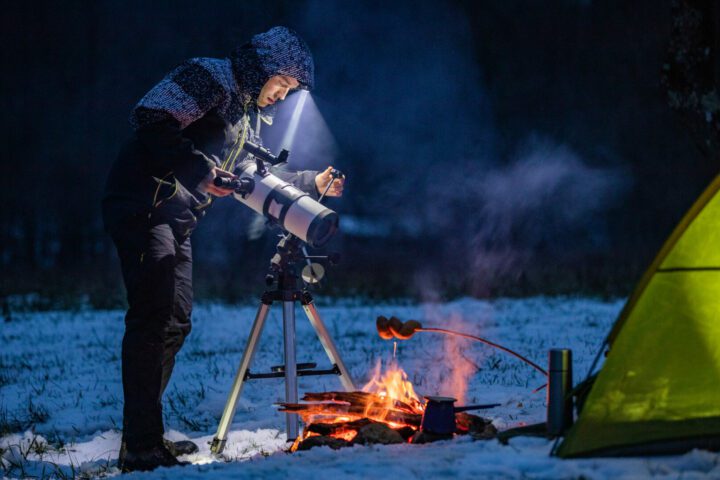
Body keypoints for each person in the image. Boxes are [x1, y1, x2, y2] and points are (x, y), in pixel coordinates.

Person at [102, 26, 344, 472]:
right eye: (282, 84)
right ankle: (140, 447)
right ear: (264, 67)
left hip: (176, 219)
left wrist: (311, 183)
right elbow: (151, 116)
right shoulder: (211, 75)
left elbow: (247, 176)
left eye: (290, 90)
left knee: (175, 322)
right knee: (153, 318)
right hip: (142, 204)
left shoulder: (243, 115)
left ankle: (144, 438)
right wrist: (199, 169)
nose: (282, 96)